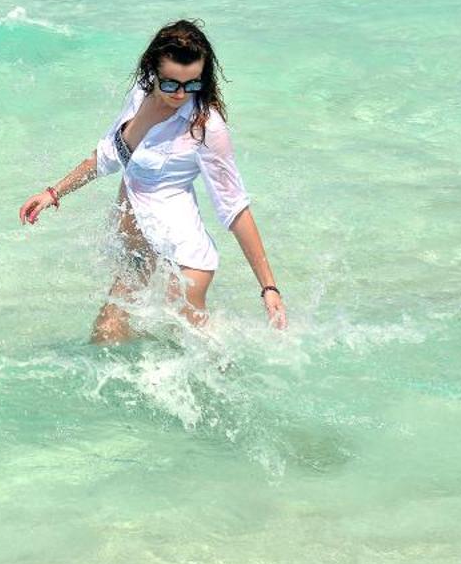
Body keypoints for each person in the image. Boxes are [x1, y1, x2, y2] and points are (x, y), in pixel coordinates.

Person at [18, 19, 286, 343]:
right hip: (139, 250)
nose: (181, 94)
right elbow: (107, 157)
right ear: (153, 72)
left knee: (190, 354)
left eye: (193, 84)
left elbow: (234, 209)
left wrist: (268, 287)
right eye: (171, 84)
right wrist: (53, 192)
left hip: (184, 258)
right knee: (105, 338)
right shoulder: (139, 96)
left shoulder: (206, 127)